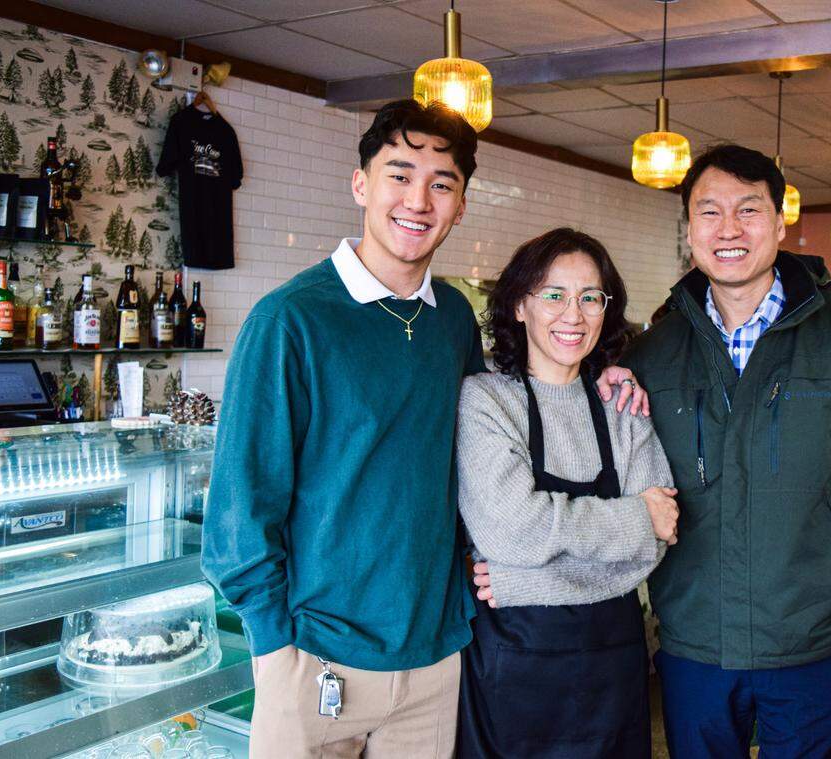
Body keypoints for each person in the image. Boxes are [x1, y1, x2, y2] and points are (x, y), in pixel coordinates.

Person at [201, 100, 646, 759]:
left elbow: (501, 432)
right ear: (361, 185)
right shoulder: (291, 320)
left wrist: (604, 379)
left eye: (442, 184)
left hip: (437, 662)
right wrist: (273, 652)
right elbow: (240, 510)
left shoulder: (451, 323)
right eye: (399, 175)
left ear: (461, 204)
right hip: (317, 659)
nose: (419, 199)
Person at [623, 144, 831, 758]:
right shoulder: (654, 352)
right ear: (689, 230)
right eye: (709, 212)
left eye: (749, 210)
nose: (729, 229)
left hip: (816, 645)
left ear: (781, 221)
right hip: (696, 646)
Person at [455, 228, 677, 758]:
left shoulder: (621, 402)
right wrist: (633, 520)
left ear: (607, 308)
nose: (572, 315)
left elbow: (660, 538)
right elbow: (513, 529)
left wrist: (522, 579)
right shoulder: (485, 400)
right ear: (517, 306)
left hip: (613, 668)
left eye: (589, 297)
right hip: (514, 671)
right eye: (553, 295)